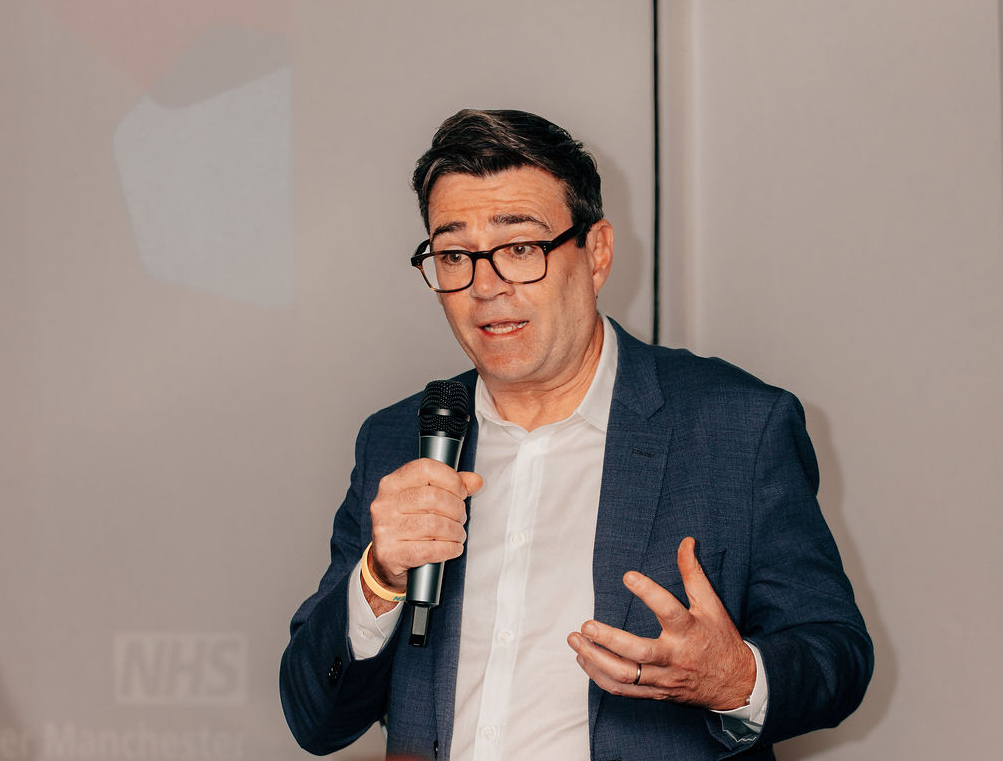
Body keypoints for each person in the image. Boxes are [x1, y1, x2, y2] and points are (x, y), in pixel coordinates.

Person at [279, 109, 873, 761]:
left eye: (520, 248)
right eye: (454, 254)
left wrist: (734, 678)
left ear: (595, 254)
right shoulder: (396, 440)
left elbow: (835, 652)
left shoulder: (735, 425)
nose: (484, 285)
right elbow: (315, 718)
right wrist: (378, 577)